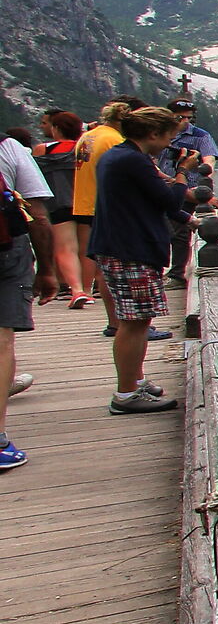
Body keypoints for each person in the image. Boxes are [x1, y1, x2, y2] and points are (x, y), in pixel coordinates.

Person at [87, 106, 199, 414]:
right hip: (129, 248)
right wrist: (183, 171)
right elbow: (168, 200)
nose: (169, 144)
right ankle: (126, 394)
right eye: (168, 137)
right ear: (153, 134)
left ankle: (135, 381)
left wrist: (186, 219)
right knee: (134, 323)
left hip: (120, 245)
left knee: (138, 320)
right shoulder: (133, 160)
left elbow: (147, 200)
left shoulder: (120, 156)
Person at [0, 126, 62, 466]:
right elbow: (37, 215)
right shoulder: (8, 147)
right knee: (1, 340)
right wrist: (47, 270)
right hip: (7, 251)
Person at [71, 98, 138, 327]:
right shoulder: (114, 140)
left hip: (83, 201)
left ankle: (88, 292)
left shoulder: (88, 136)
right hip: (105, 204)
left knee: (94, 257)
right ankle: (118, 321)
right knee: (112, 265)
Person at [32, 110, 86, 304]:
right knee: (86, 249)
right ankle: (89, 288)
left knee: (65, 248)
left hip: (58, 203)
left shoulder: (42, 150)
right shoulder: (83, 148)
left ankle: (76, 289)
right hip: (85, 201)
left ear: (56, 128)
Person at [164, 100, 218, 284]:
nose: (185, 121)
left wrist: (206, 176)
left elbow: (209, 159)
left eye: (189, 117)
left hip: (187, 188)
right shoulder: (161, 134)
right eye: (181, 117)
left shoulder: (200, 136)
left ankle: (177, 274)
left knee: (180, 231)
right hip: (160, 187)